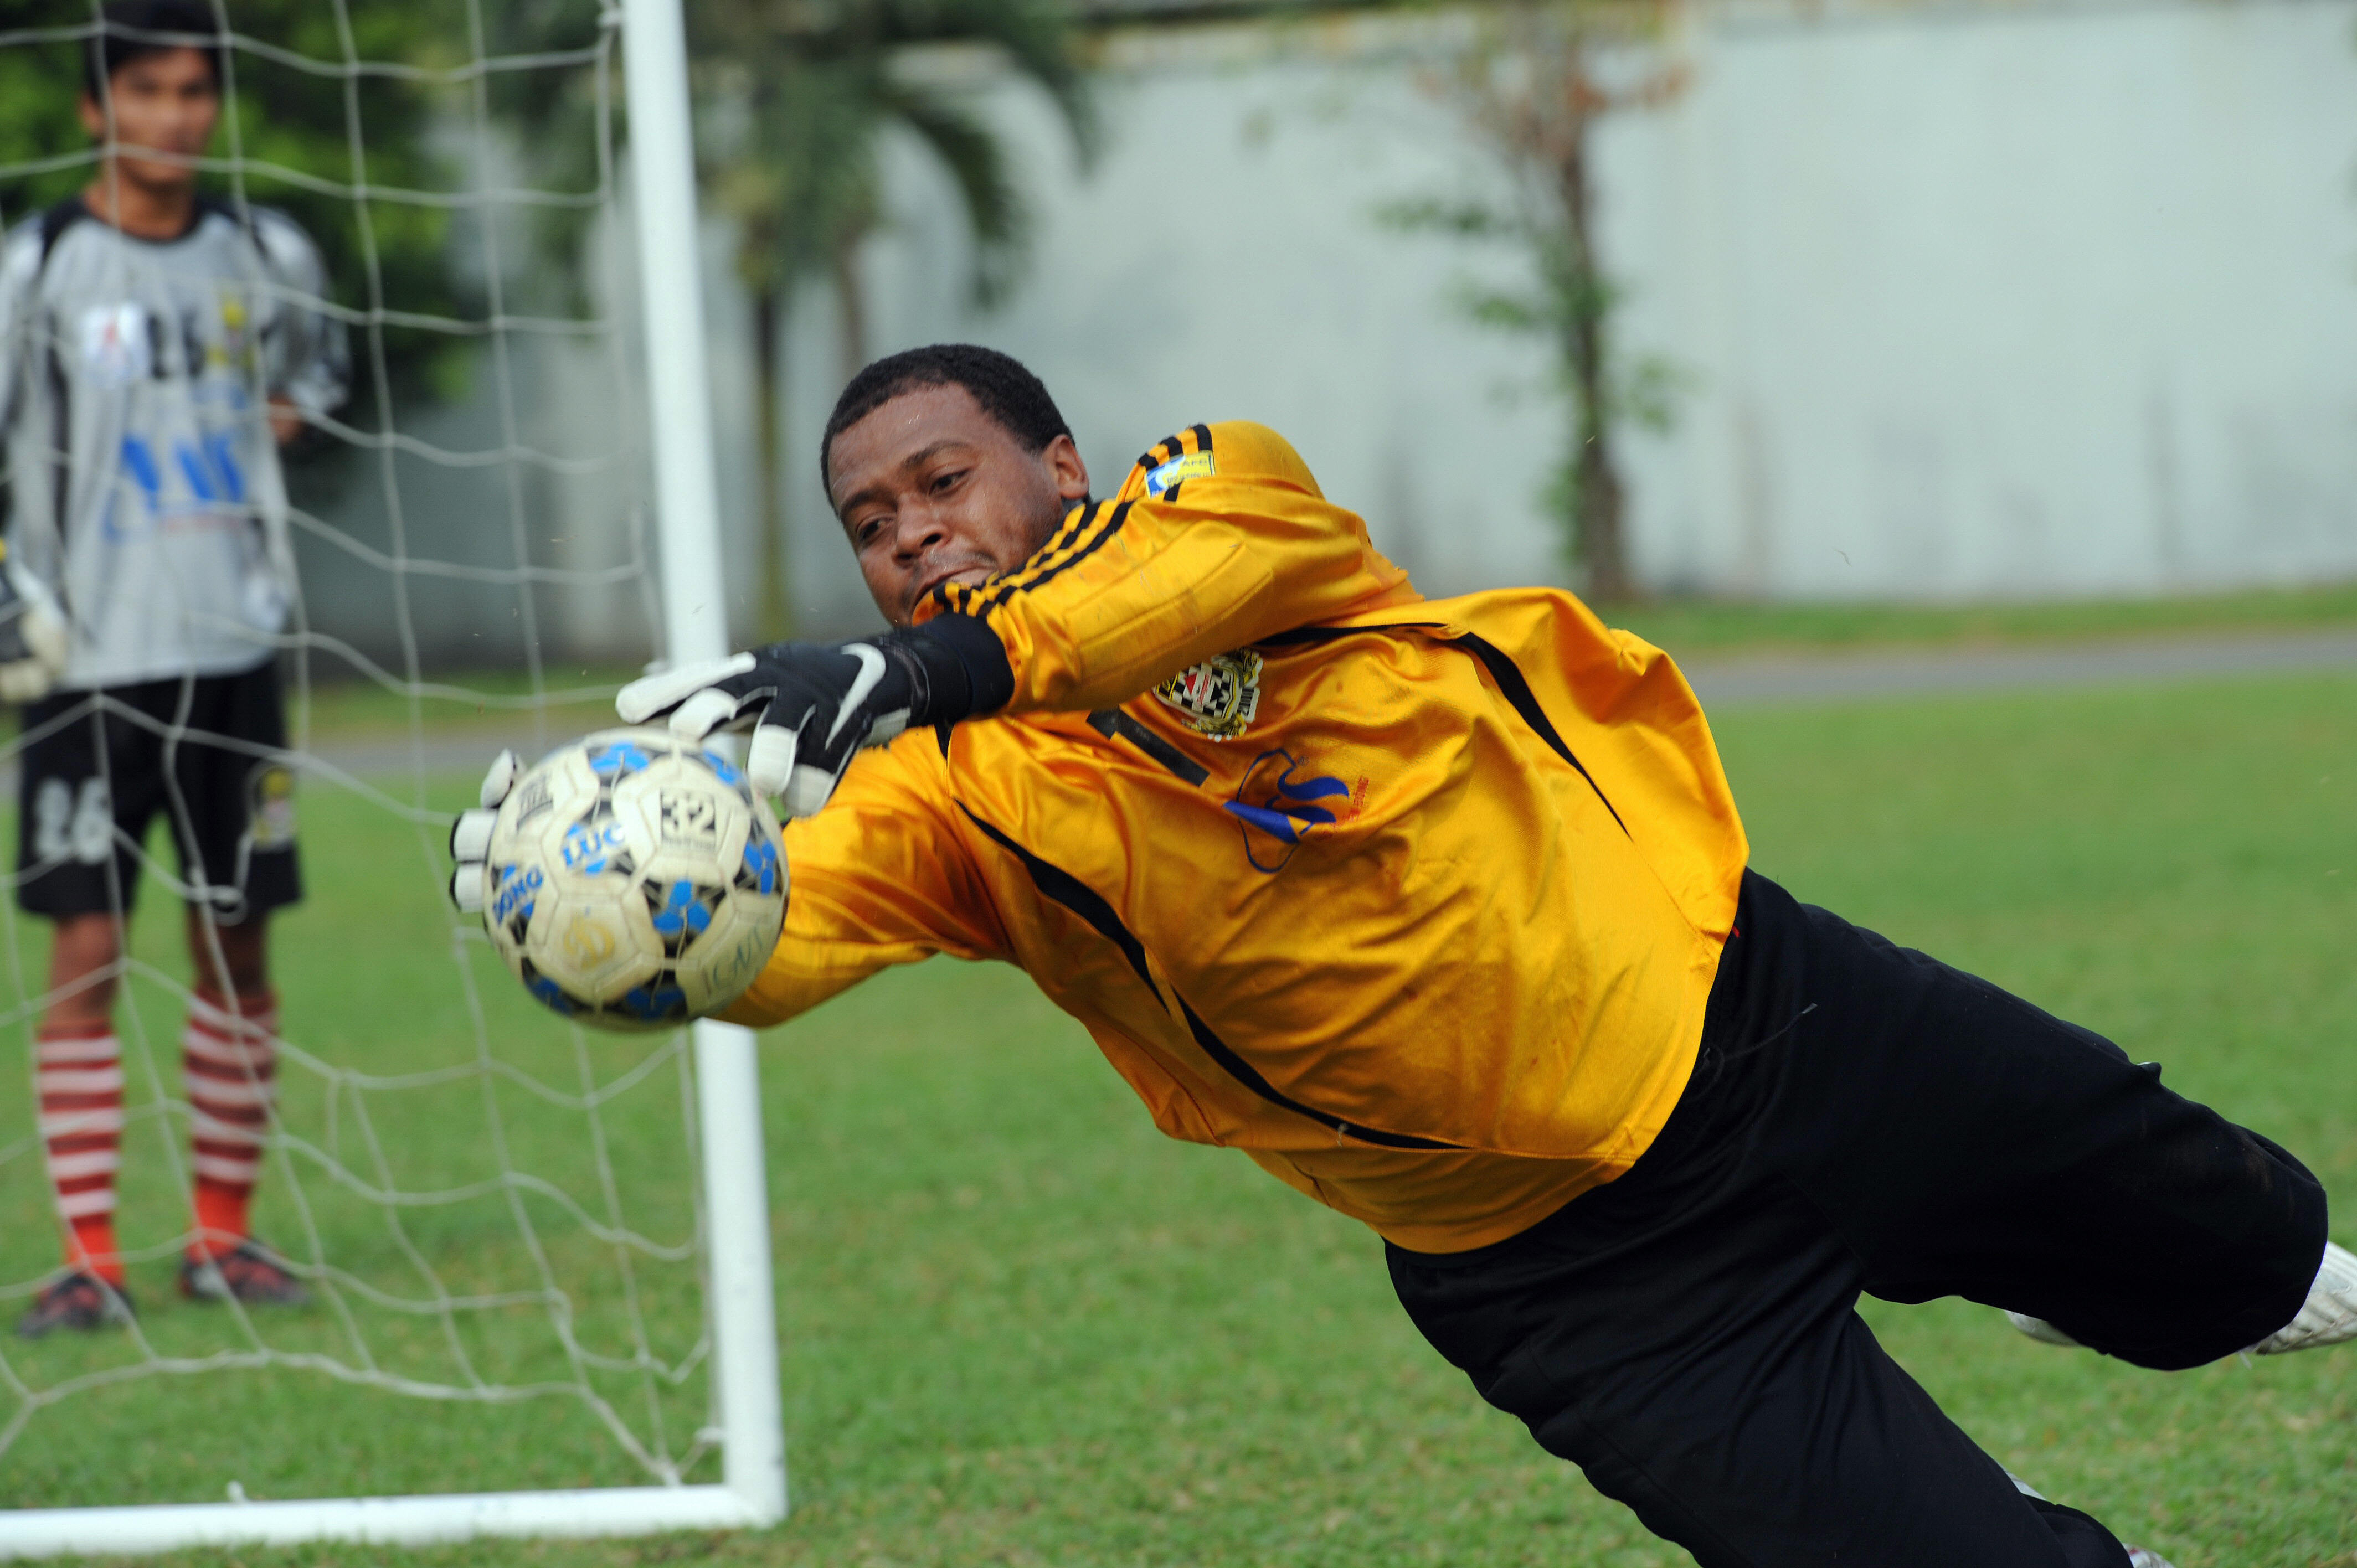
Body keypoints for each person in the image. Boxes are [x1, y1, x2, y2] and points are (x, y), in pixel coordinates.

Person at [459, 344, 2351, 1567]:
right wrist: (612, 937)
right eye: (869, 532)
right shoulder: (952, 799)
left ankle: (2128, 1268)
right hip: (1561, 1268)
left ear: (1058, 459)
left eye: (942, 484)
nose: (911, 542)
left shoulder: (1220, 504)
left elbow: (1146, 596)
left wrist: (919, 668)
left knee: (2240, 1234)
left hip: (1768, 1020)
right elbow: (784, 928)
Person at [0, 0, 347, 1336]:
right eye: (146, 92)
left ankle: (222, 1238)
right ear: (99, 110)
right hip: (87, 662)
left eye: (195, 91)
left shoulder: (268, 251)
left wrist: (295, 416)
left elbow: (323, 371)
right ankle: (87, 1252)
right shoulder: (38, 266)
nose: (176, 116)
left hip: (237, 651)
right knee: (87, 949)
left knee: (234, 942)